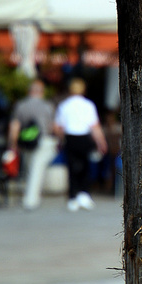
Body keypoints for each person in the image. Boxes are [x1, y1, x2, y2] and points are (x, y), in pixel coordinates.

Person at [53, 78, 108, 211]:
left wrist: (61, 139)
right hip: (84, 137)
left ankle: (72, 197)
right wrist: (101, 142)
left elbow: (57, 127)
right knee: (85, 167)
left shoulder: (64, 105)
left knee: (71, 168)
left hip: (70, 137)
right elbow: (95, 126)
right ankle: (84, 193)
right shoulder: (88, 105)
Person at [8, 79, 56, 211]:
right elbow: (52, 126)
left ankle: (31, 197)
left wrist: (13, 143)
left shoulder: (21, 105)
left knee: (30, 169)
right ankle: (31, 200)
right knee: (37, 170)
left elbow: (15, 126)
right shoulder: (48, 106)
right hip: (43, 140)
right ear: (42, 92)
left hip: (27, 141)